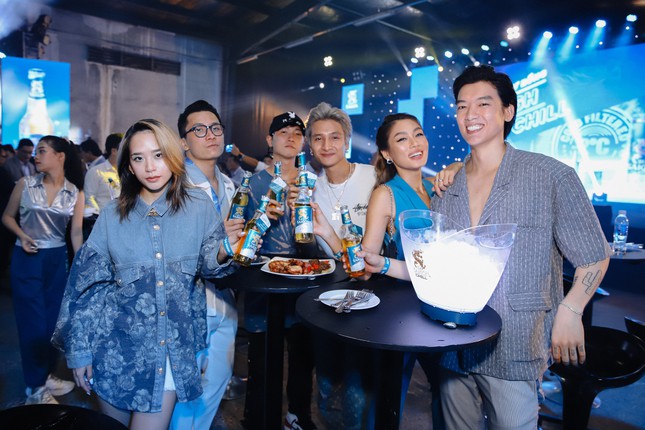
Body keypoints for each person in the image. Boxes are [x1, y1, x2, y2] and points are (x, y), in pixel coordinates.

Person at [431, 65, 611, 429]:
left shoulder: (550, 175)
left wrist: (571, 310)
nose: (470, 114)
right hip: (452, 341)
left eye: (483, 103)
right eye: (462, 106)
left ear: (508, 111)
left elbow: (594, 255)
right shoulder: (447, 186)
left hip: (515, 342)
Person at [52, 118, 239, 429]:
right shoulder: (112, 216)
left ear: (173, 155)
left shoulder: (199, 206)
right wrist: (81, 351)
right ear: (129, 165)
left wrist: (223, 251)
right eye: (138, 158)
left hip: (169, 353)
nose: (150, 167)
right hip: (114, 351)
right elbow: (86, 288)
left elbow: (211, 265)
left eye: (158, 155)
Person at [170, 100, 243, 430]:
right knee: (183, 390)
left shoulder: (228, 184)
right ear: (184, 142)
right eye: (199, 130)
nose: (210, 135)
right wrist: (215, 238)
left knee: (216, 381)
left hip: (224, 296)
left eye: (215, 128)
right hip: (186, 302)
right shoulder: (174, 185)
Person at [242, 111, 316, 430]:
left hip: (303, 279)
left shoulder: (312, 181)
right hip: (264, 282)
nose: (291, 138)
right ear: (269, 140)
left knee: (302, 357)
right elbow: (239, 238)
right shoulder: (253, 183)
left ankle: (297, 416)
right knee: (263, 358)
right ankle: (258, 419)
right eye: (283, 132)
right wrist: (261, 218)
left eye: (297, 133)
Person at [2, 136, 84, 405]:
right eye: (36, 152)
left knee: (52, 326)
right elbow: (7, 216)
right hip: (26, 259)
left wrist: (82, 266)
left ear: (60, 156)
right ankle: (35, 388)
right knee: (33, 326)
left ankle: (44, 374)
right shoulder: (25, 184)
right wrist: (22, 235)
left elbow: (75, 234)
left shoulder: (75, 192)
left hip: (56, 261)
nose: (36, 156)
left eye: (42, 151)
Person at [82, 133, 123, 240]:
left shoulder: (126, 172)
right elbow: (89, 197)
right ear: (114, 151)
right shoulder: (96, 171)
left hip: (123, 222)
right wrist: (100, 216)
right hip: (102, 224)